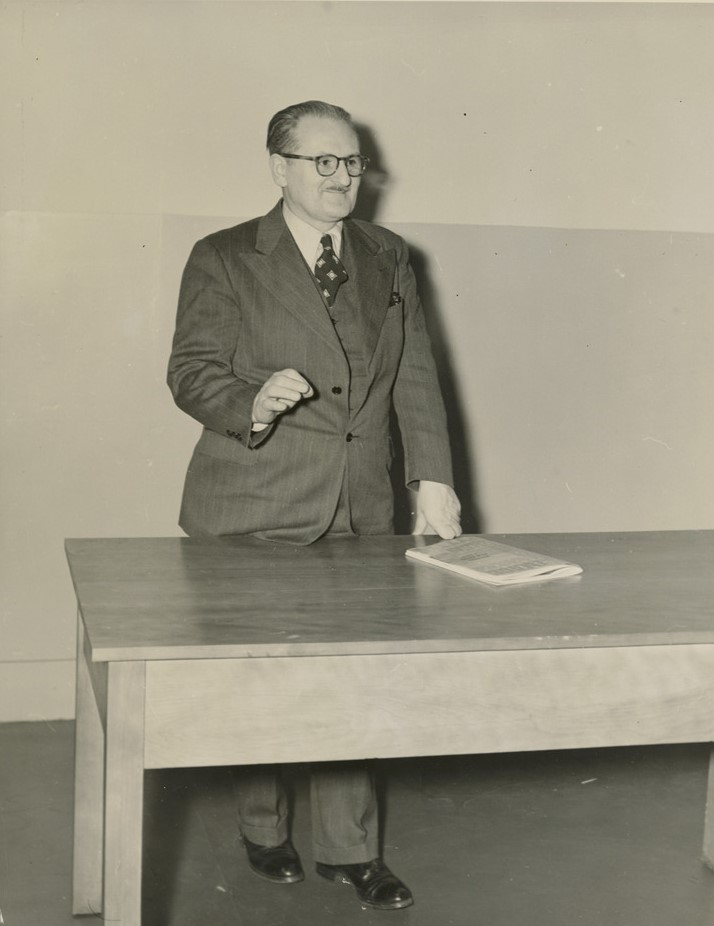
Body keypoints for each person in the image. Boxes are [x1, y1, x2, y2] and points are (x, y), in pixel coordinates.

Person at [167, 100, 461, 911]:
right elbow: (190, 371)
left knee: (353, 681)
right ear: (280, 167)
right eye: (323, 162)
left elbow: (414, 376)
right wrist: (252, 403)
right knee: (258, 682)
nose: (341, 179)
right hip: (251, 504)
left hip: (360, 505)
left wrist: (430, 478)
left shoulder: (387, 255)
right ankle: (263, 831)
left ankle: (349, 850)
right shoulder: (224, 256)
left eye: (353, 164)